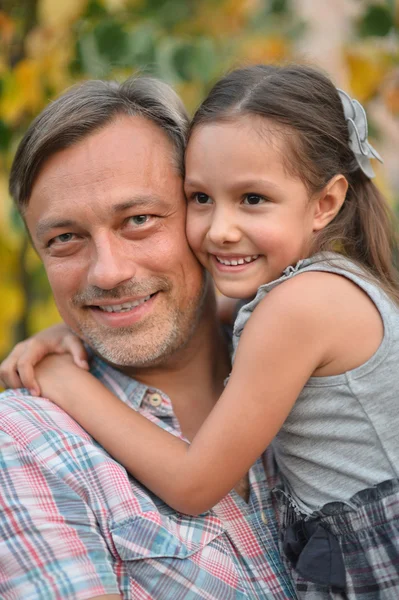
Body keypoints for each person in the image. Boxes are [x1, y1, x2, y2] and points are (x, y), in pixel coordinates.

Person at [3, 64, 399, 599]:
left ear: (325, 203)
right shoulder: (24, 442)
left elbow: (194, 484)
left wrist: (65, 380)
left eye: (140, 218)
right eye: (66, 238)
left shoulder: (295, 325)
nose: (109, 272)